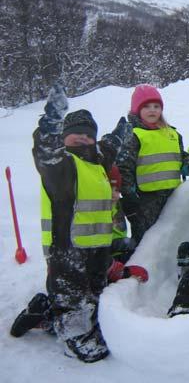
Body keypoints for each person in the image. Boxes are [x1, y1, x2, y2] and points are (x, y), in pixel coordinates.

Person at [10, 84, 132, 362]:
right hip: (67, 253)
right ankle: (63, 328)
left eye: (88, 135)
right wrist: (51, 120)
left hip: (98, 251)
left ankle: (46, 311)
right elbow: (45, 149)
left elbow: (108, 147)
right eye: (74, 134)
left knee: (94, 306)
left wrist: (119, 133)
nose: (82, 139)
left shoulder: (97, 161)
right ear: (63, 138)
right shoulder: (61, 166)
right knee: (90, 344)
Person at [117, 84, 186, 246]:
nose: (152, 110)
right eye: (146, 106)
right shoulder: (133, 135)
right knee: (147, 241)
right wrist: (129, 195)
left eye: (156, 106)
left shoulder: (172, 134)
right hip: (145, 200)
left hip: (173, 196)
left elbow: (182, 158)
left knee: (173, 236)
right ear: (136, 109)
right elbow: (124, 167)